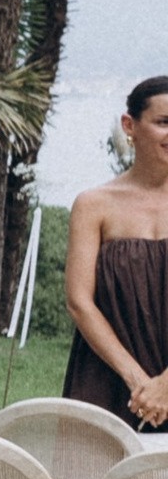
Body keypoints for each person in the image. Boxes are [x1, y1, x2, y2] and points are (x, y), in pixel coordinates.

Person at [63, 73, 168, 424]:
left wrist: (166, 385)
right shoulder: (93, 204)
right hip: (106, 379)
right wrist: (138, 382)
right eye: (163, 122)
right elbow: (79, 302)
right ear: (130, 125)